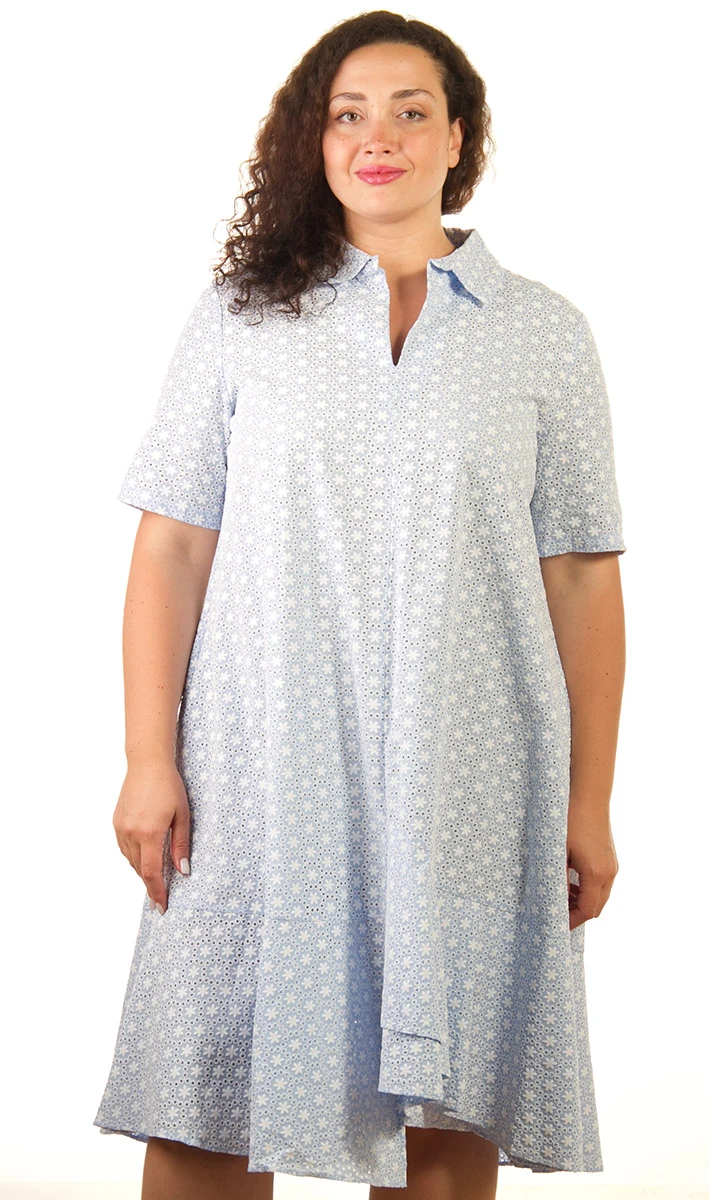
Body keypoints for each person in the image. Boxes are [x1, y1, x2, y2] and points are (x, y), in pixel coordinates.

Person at [93, 10, 627, 1200]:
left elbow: (581, 574)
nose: (375, 136)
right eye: (347, 114)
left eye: (408, 111)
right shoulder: (241, 316)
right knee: (208, 1099)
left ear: (458, 138)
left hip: (470, 781)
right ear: (314, 139)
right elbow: (171, 544)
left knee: (441, 1115)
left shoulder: (541, 334)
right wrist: (146, 759)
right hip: (254, 773)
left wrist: (588, 799)